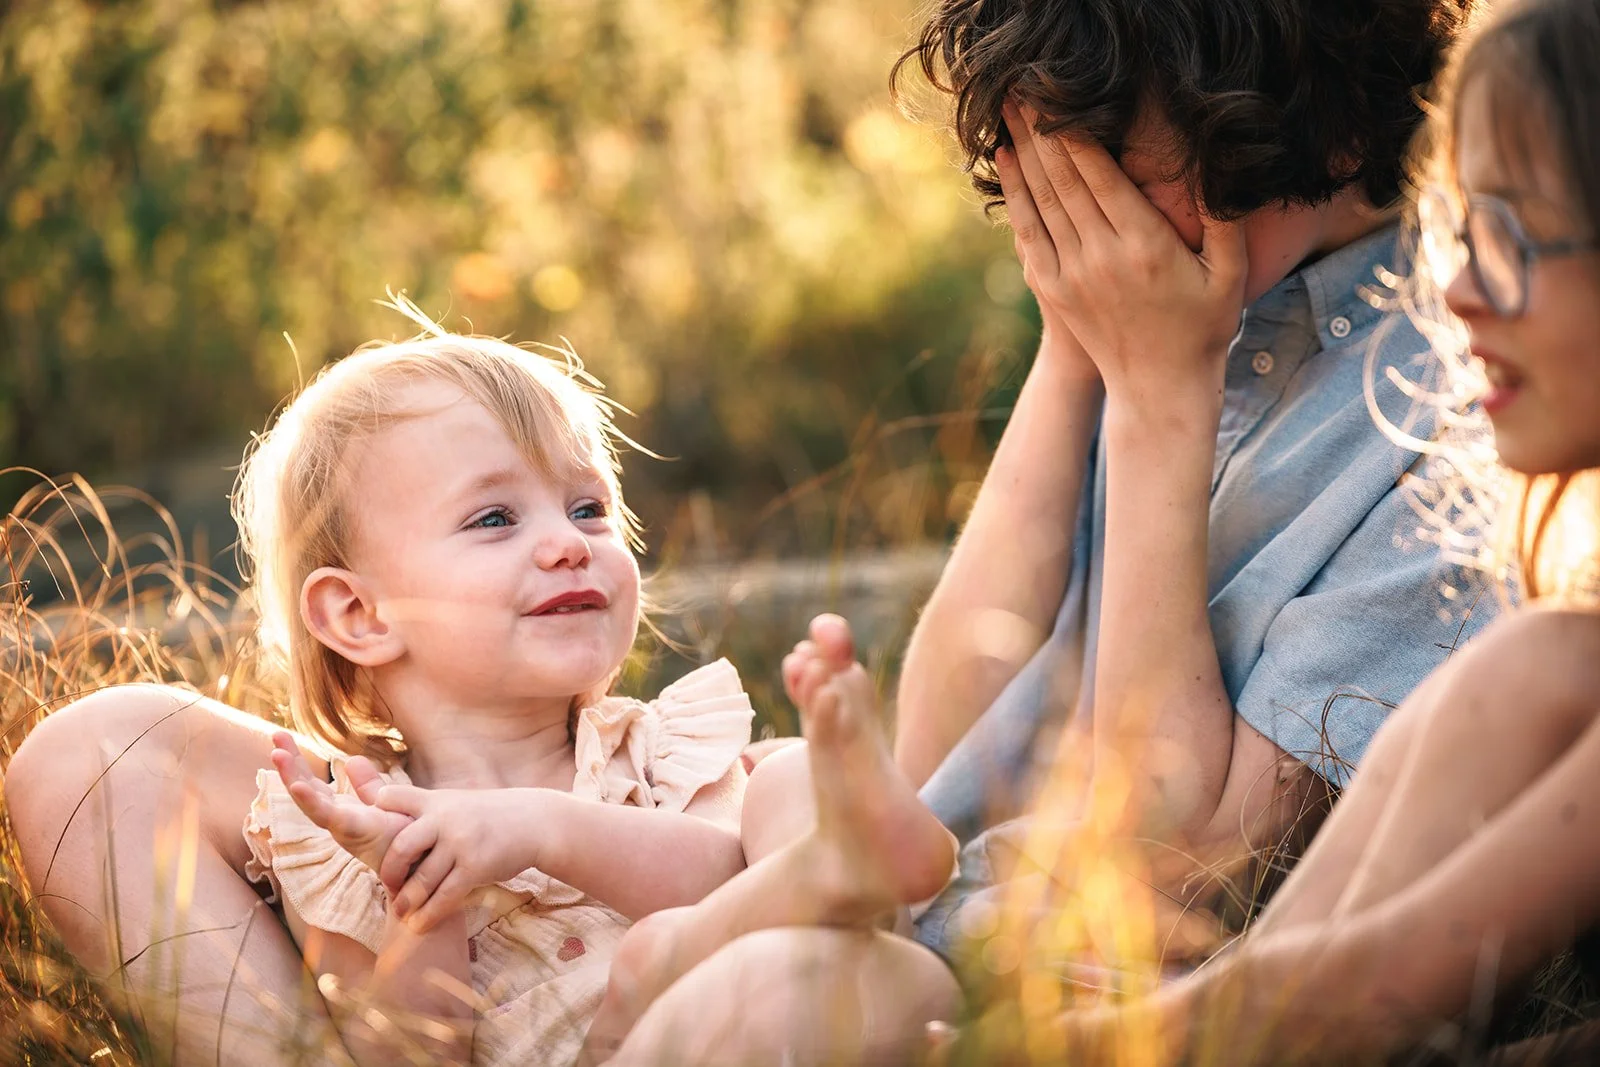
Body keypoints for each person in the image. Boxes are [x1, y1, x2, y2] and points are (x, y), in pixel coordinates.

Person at [589, 1, 1499, 1063]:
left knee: (752, 995)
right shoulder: (1172, 305)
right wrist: (1072, 348)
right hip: (921, 916)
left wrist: (1162, 400)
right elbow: (936, 759)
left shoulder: (1468, 424)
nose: (1073, 203)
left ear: (1326, 125)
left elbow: (1177, 863)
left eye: (1109, 158)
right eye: (1042, 159)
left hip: (1074, 1003)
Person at [5, 312, 957, 1066]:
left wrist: (543, 826)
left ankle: (844, 857)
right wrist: (428, 902)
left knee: (795, 800)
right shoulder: (349, 834)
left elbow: (719, 873)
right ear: (359, 616)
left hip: (731, 1009)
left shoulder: (663, 753)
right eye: (496, 517)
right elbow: (399, 1052)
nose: (568, 539)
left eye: (589, 507)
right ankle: (833, 870)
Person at [948, 0, 1600, 1059]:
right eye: (1465, 229)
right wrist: (1077, 340)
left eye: (1514, 237)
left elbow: (1363, 982)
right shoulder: (1555, 655)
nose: (1461, 290)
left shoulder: (1417, 425)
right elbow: (940, 764)